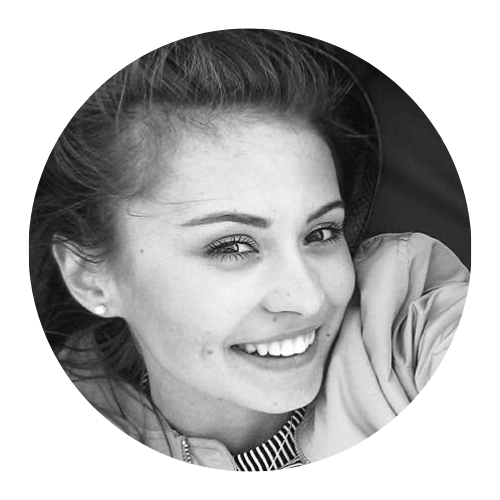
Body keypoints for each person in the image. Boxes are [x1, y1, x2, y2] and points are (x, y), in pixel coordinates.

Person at [29, 29, 469, 470]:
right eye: (233, 246)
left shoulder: (409, 329)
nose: (309, 298)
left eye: (321, 234)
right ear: (90, 279)